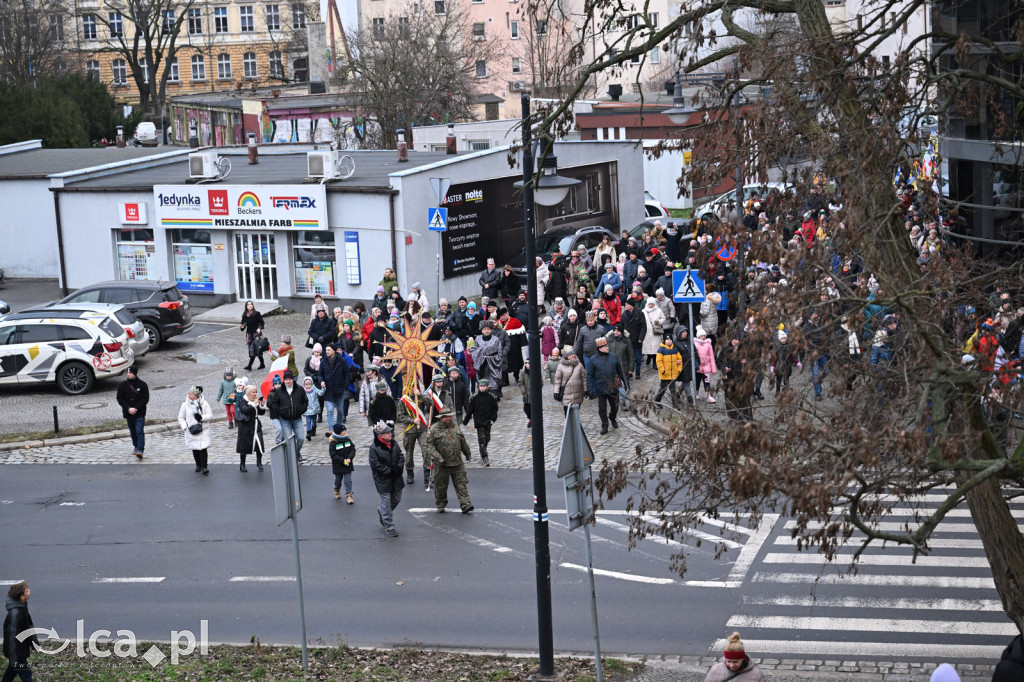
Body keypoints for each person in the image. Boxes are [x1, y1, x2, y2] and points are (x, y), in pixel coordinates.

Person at [426, 407, 474, 513]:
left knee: (461, 484)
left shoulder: (456, 426)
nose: (448, 419)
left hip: (457, 462)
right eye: (445, 417)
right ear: (441, 418)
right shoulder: (434, 429)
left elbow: (462, 440)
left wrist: (467, 453)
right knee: (441, 486)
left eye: (449, 416)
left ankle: (465, 504)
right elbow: (429, 445)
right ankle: (441, 504)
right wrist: (438, 457)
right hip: (442, 464)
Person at [369, 421, 404, 538]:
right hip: (383, 479)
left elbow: (400, 456)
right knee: (386, 502)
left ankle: (383, 513)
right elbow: (376, 465)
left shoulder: (394, 444)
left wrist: (399, 468)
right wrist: (390, 471)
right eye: (388, 433)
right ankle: (389, 526)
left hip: (396, 477)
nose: (391, 434)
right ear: (381, 436)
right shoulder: (374, 448)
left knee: (397, 499)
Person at [586, 337, 626, 434]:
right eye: (605, 347)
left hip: (613, 387)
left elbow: (620, 371)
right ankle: (605, 425)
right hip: (601, 388)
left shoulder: (613, 356)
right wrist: (589, 389)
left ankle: (612, 418)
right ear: (600, 349)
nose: (607, 348)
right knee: (602, 408)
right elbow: (590, 375)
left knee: (615, 407)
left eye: (607, 346)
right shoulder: (593, 359)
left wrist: (625, 382)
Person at [2, 582, 36, 682]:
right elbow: (13, 636)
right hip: (17, 651)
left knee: (12, 670)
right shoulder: (16, 613)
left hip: (19, 648)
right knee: (26, 674)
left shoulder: (22, 607)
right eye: (26, 591)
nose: (29, 591)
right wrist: (14, 657)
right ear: (22, 597)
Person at [463, 377, 499, 465]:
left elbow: (495, 410)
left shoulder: (491, 397)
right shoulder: (475, 398)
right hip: (479, 422)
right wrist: (466, 420)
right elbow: (470, 410)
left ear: (487, 387)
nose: (482, 388)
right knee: (482, 440)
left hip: (488, 421)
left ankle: (483, 449)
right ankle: (484, 456)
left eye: (484, 386)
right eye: (480, 386)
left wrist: (492, 420)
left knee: (487, 438)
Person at [116, 364, 149, 460]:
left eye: (130, 372)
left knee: (139, 431)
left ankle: (140, 449)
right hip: (128, 413)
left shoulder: (142, 385)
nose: (128, 374)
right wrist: (128, 408)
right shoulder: (123, 385)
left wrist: (136, 408)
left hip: (139, 413)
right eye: (128, 372)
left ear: (134, 373)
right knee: (133, 432)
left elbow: (145, 398)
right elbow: (119, 398)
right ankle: (136, 446)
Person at [177, 385, 213, 474]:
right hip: (191, 430)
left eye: (191, 394)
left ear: (196, 395)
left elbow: (210, 415)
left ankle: (204, 467)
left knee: (203, 448)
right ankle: (198, 465)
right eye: (189, 394)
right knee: (195, 448)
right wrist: (185, 427)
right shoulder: (185, 405)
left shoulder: (204, 403)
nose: (189, 395)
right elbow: (181, 417)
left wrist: (201, 417)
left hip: (203, 429)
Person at [318, 344, 351, 431]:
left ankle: (339, 428)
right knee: (330, 410)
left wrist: (345, 386)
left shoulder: (341, 360)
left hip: (339, 389)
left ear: (334, 350)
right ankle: (331, 430)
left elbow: (347, 374)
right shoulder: (323, 361)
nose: (327, 351)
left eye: (329, 350)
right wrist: (321, 381)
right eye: (326, 350)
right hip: (328, 389)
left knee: (340, 410)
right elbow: (320, 374)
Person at [235, 385, 266, 472]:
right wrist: (254, 404)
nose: (255, 394)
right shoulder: (243, 401)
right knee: (244, 446)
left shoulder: (254, 401)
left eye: (256, 392)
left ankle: (259, 462)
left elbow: (260, 412)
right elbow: (245, 410)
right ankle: (242, 464)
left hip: (256, 425)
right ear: (249, 393)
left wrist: (262, 405)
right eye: (253, 392)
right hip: (246, 426)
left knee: (259, 444)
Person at [327, 423, 356, 503]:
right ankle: (336, 489)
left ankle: (349, 495)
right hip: (338, 465)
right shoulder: (333, 442)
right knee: (338, 480)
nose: (345, 431)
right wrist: (342, 460)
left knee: (348, 480)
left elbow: (352, 449)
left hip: (347, 464)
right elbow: (333, 455)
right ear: (339, 432)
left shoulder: (347, 439)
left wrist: (349, 458)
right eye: (343, 430)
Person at [554, 347, 587, 414]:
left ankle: (577, 425)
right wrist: (556, 391)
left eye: (573, 354)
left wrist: (586, 390)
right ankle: (572, 425)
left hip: (577, 394)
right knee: (567, 413)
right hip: (566, 394)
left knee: (576, 414)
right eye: (570, 354)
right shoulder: (560, 366)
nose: (573, 355)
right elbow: (557, 380)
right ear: (566, 356)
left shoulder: (579, 365)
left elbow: (584, 378)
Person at [654, 334, 683, 405]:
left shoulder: (675, 349)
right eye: (667, 339)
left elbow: (679, 359)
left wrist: (679, 369)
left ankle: (675, 403)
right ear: (664, 340)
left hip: (673, 374)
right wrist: (663, 371)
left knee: (673, 390)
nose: (669, 341)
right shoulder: (661, 350)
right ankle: (657, 401)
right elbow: (659, 362)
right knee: (663, 389)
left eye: (670, 339)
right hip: (665, 374)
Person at [239, 300, 266, 370]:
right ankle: (262, 364)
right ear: (246, 306)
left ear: (253, 306)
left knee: (257, 349)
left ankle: (250, 366)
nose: (250, 305)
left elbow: (262, 323)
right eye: (248, 304)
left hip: (257, 334)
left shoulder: (257, 314)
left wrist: (259, 328)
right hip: (250, 335)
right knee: (252, 349)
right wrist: (242, 327)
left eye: (251, 304)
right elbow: (243, 326)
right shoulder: (245, 315)